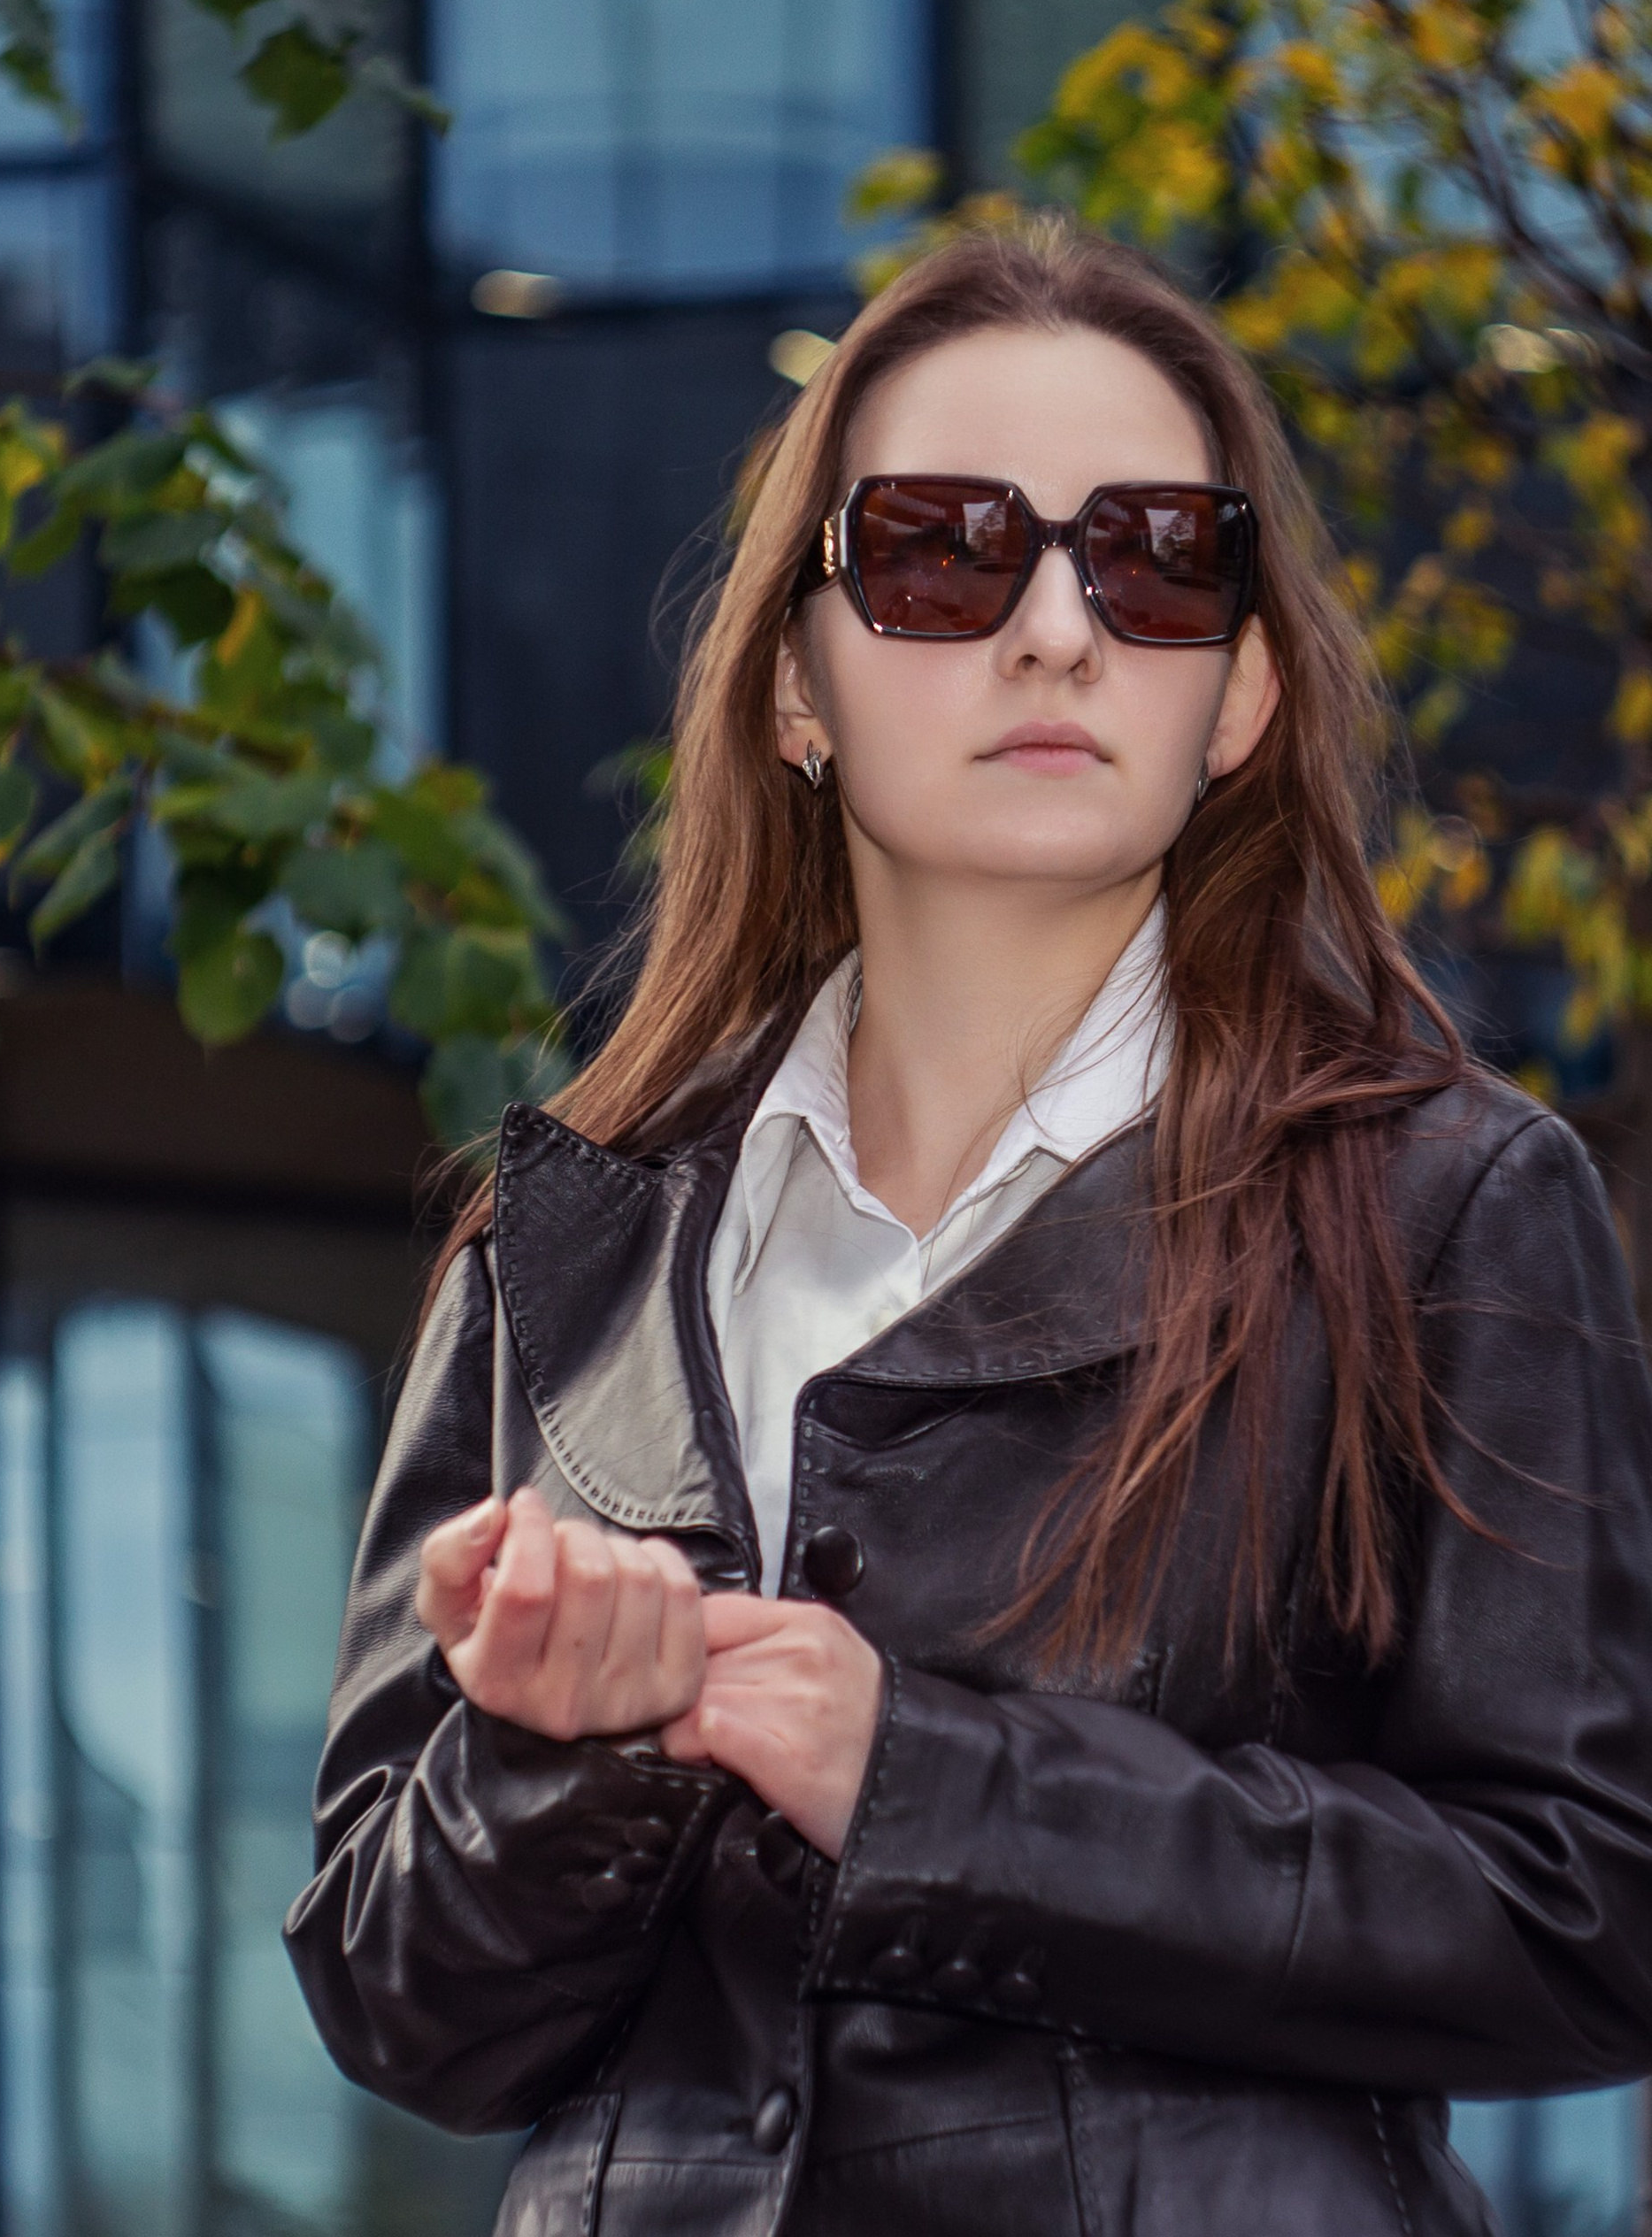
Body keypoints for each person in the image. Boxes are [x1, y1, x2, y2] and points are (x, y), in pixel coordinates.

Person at [281, 214, 1652, 2237]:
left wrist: (916, 1777)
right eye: (941, 549)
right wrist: (551, 1748)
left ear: (1242, 692)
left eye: (1153, 557)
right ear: (796, 686)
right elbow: (404, 2012)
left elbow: (1578, 1911)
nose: (1054, 630)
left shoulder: (1440, 1199)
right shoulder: (561, 1242)